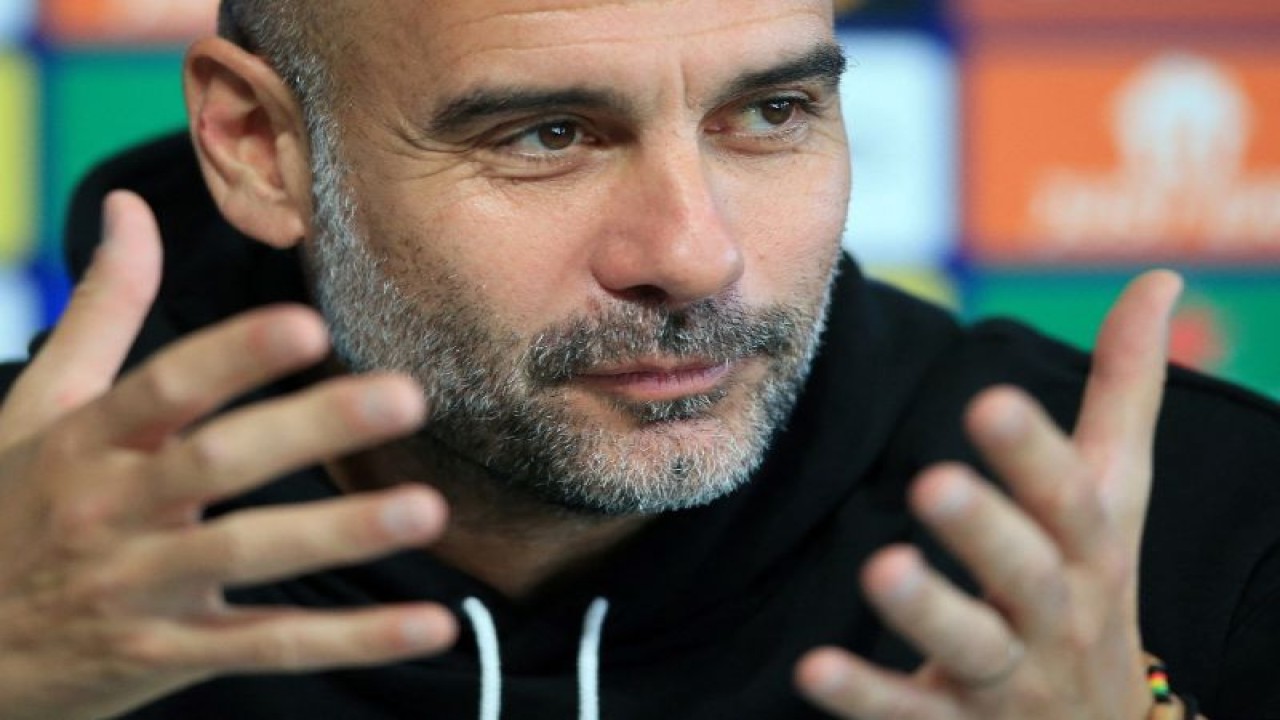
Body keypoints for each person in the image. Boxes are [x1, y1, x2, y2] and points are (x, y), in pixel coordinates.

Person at [0, 1, 1277, 718]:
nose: (693, 252)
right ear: (258, 147)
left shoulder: (1189, 533)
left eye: (771, 113)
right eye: (547, 134)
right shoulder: (23, 556)